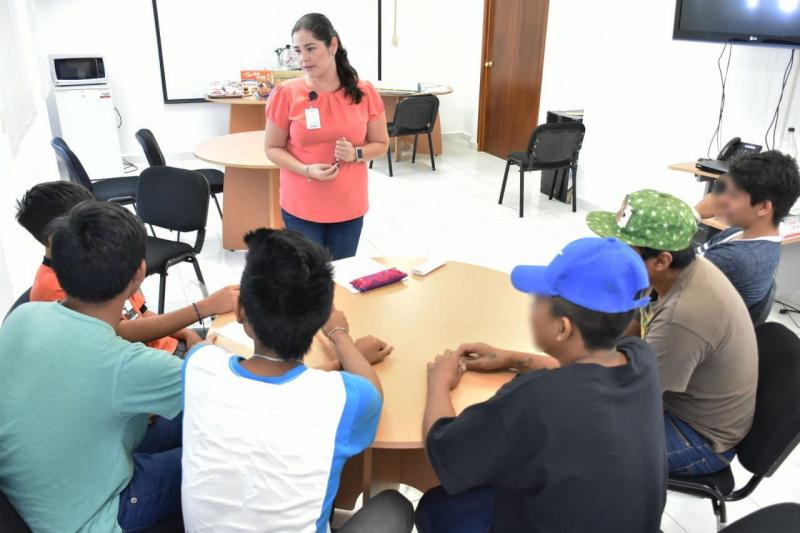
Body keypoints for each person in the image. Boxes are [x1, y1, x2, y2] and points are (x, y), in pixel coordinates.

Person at [416, 237, 666, 533]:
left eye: (538, 300)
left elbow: (444, 450)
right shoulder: (641, 358)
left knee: (436, 507)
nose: (532, 307)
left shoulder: (533, 397)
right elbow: (587, 371)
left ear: (562, 328)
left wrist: (439, 383)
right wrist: (510, 358)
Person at [181, 228, 413, 532]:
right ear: (320, 319)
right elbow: (372, 391)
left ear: (239, 311)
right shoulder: (341, 399)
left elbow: (264, 391)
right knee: (395, 507)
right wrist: (341, 338)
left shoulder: (199, 366)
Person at [0, 201, 184, 531]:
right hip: (93, 515)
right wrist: (201, 346)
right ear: (139, 272)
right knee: (218, 458)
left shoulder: (24, 315)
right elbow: (229, 392)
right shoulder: (125, 364)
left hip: (41, 494)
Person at [588, 189, 758, 476]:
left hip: (699, 436)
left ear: (662, 260)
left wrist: (548, 369)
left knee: (574, 442)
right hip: (668, 399)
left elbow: (626, 392)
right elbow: (630, 330)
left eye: (623, 248)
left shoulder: (684, 315)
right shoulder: (666, 272)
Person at [15, 180, 239, 357]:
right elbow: (119, 333)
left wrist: (187, 333)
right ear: (55, 235)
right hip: (145, 362)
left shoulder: (93, 261)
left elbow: (140, 315)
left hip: (166, 346)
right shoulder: (57, 288)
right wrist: (203, 308)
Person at [265, 13, 390, 260]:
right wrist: (306, 170)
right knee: (310, 281)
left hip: (348, 204)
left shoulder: (364, 92)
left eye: (310, 49)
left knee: (341, 276)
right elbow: (272, 148)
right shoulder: (286, 93)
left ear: (333, 45)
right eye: (297, 51)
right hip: (301, 204)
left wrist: (356, 153)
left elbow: (382, 144)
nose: (303, 58)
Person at [694, 151, 800, 308]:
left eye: (733, 195)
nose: (721, 199)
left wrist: (694, 214)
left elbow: (668, 279)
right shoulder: (743, 233)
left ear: (763, 207)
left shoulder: (736, 258)